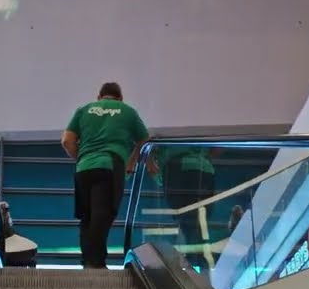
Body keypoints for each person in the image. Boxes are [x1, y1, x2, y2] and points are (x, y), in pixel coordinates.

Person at [61, 82, 149, 269]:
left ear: (99, 97)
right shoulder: (128, 111)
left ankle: (88, 261)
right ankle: (96, 262)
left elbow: (67, 141)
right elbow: (145, 140)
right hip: (110, 164)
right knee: (103, 214)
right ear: (120, 98)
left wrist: (82, 157)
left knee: (87, 217)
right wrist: (132, 161)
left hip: (84, 167)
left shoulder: (84, 110)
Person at [150, 144, 219, 260]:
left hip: (179, 167)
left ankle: (192, 260)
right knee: (199, 223)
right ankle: (198, 260)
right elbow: (217, 148)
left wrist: (150, 162)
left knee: (187, 221)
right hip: (205, 169)